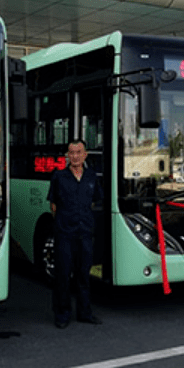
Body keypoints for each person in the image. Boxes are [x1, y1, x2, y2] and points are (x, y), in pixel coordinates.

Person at [48, 139, 103, 329]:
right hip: (65, 233)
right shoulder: (59, 177)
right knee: (63, 275)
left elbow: (95, 201)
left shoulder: (91, 177)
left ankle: (84, 313)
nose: (75, 156)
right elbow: (53, 205)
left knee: (83, 275)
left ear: (85, 155)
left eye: (79, 152)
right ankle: (62, 314)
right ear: (67, 156)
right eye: (71, 153)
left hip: (85, 233)